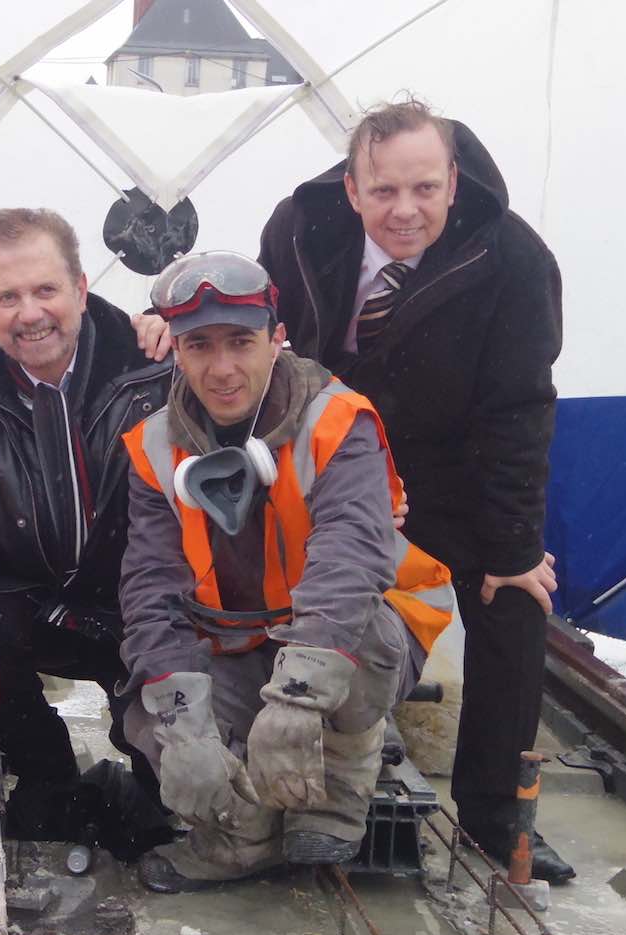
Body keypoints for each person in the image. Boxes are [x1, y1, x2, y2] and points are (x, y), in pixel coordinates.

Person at [258, 99, 574, 883]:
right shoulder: (300, 229)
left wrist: (509, 549)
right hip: (330, 450)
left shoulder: (512, 260)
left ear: (454, 182)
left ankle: (495, 814)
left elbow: (517, 412)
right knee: (270, 570)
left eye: (426, 190)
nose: (406, 211)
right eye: (386, 191)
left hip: (449, 462)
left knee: (516, 598)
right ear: (353, 186)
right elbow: (264, 341)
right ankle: (271, 748)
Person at [119, 251, 455, 893]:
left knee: (357, 639)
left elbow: (351, 556)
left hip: (356, 632)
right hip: (240, 640)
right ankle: (244, 836)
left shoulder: (338, 421)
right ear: (177, 352)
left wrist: (295, 696)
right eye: (199, 346)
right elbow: (150, 590)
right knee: (151, 714)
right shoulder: (153, 448)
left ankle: (341, 780)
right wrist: (181, 719)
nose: (221, 370)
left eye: (241, 342)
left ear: (277, 340)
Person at [0, 208, 174, 842]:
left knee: (170, 806)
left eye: (45, 290)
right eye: (8, 297)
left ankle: (148, 775)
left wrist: (186, 329)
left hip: (140, 604)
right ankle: (47, 773)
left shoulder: (160, 368)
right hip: (35, 603)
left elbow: (259, 367)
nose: (30, 313)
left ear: (82, 288)